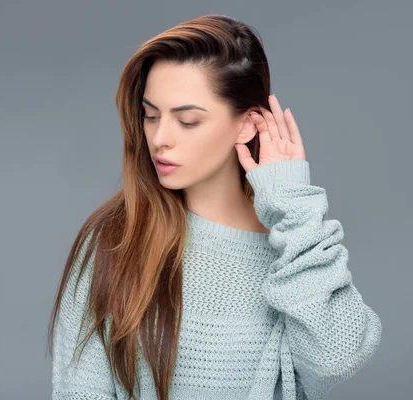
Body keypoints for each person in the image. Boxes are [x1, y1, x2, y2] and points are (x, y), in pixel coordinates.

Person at [47, 13, 382, 400]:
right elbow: (80, 391)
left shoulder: (293, 241)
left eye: (187, 121)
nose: (159, 138)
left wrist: (293, 207)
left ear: (247, 124)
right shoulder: (117, 239)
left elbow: (334, 361)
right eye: (150, 116)